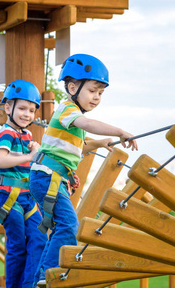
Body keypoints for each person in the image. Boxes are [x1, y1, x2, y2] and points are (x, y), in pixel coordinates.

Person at [29, 54, 138, 287]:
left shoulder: (72, 120)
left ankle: (42, 277)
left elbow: (81, 144)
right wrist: (120, 131)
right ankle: (50, 276)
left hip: (51, 178)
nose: (97, 97)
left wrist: (100, 143)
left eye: (101, 93)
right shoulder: (68, 109)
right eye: (92, 90)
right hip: (46, 177)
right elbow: (87, 124)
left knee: (61, 227)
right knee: (69, 225)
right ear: (72, 87)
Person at [0, 80, 47, 288]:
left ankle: (29, 285)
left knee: (38, 240)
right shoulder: (7, 132)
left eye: (32, 110)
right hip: (8, 197)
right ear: (8, 108)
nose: (27, 114)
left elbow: (30, 159)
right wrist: (30, 156)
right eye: (22, 108)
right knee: (18, 247)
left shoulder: (27, 134)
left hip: (27, 197)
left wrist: (33, 150)